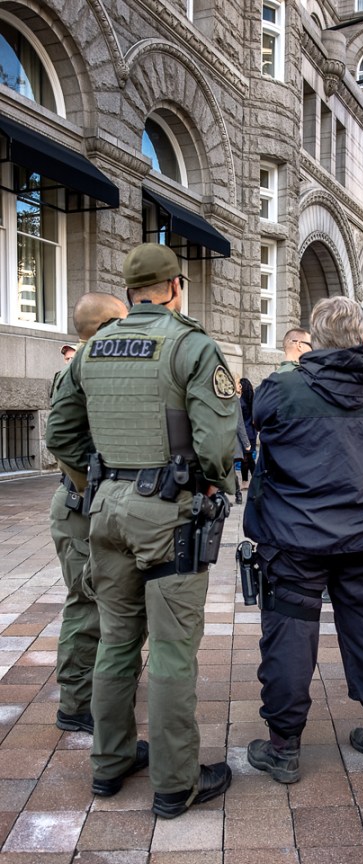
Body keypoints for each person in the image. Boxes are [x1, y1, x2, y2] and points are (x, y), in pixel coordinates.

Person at [46, 243, 237, 819]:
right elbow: (218, 444)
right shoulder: (192, 345)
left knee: (115, 639)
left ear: (130, 291)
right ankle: (176, 782)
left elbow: (60, 433)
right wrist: (209, 485)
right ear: (176, 286)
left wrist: (95, 480)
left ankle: (109, 764)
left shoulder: (92, 348)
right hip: (170, 514)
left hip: (104, 511)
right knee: (173, 652)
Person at [244, 296, 363, 782]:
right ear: (362, 336)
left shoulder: (283, 387)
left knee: (290, 634)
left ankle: (284, 747)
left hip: (297, 537)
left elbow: (256, 426)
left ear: (314, 339)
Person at [50, 293, 127, 736]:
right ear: (100, 329)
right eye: (120, 321)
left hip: (88, 503)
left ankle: (97, 692)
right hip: (80, 507)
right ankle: (77, 703)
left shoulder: (96, 367)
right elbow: (59, 439)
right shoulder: (77, 372)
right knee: (87, 605)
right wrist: (90, 487)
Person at [238, 377, 256, 485]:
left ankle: (245, 482)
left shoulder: (240, 402)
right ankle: (253, 481)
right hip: (252, 433)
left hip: (244, 433)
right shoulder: (252, 400)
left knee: (245, 459)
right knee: (249, 458)